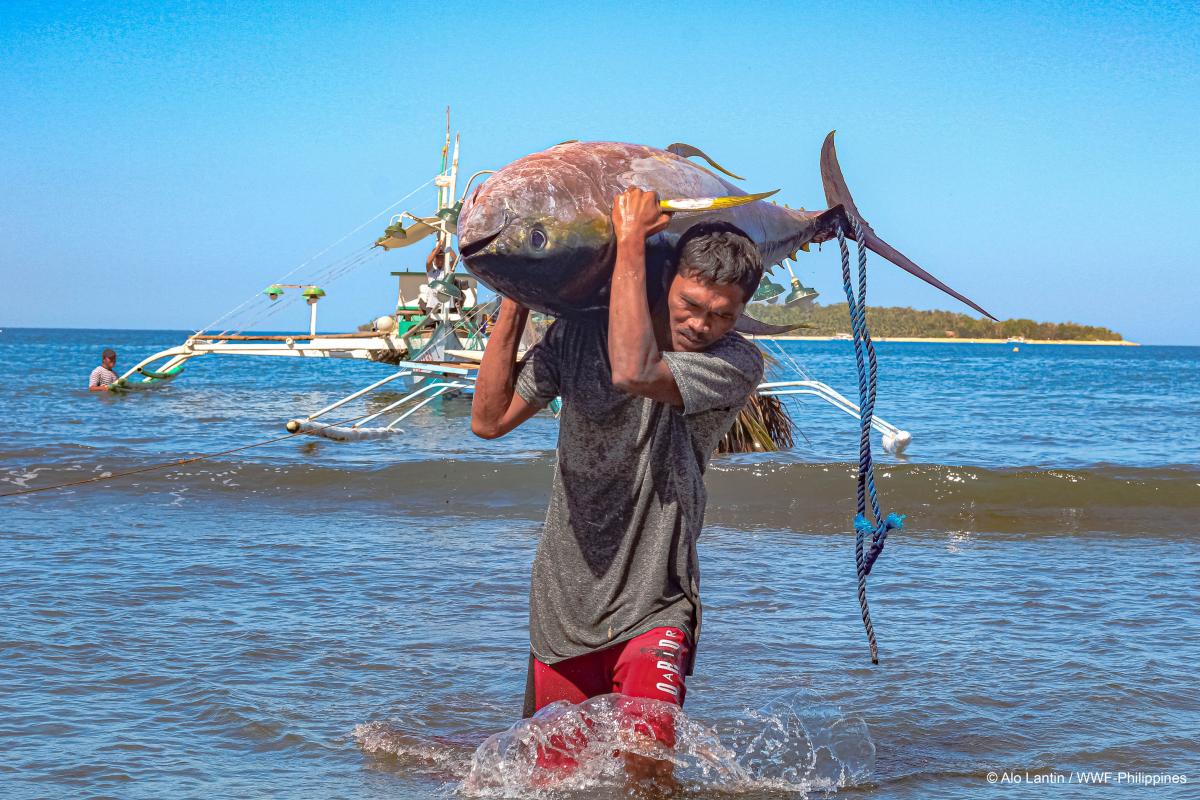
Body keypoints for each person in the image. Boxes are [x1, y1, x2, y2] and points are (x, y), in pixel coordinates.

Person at [470, 187, 764, 783]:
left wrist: (629, 240)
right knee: (550, 783)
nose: (701, 324)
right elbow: (488, 420)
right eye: (690, 304)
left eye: (721, 313)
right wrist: (516, 297)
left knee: (648, 771)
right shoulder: (576, 339)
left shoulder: (734, 363)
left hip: (656, 601)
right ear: (667, 285)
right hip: (561, 608)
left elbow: (634, 370)